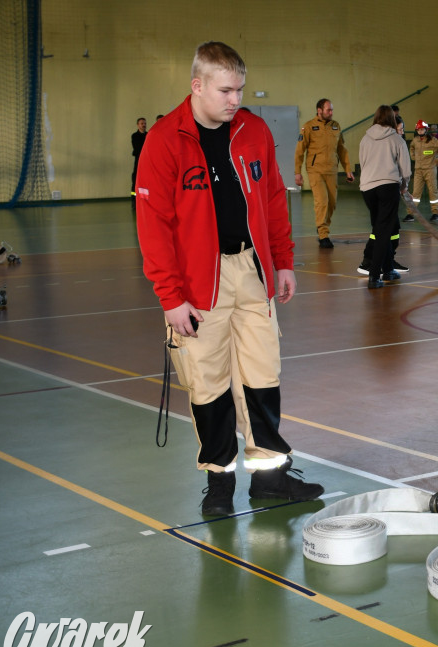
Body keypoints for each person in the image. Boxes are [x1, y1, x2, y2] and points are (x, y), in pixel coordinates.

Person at [136, 41, 323, 516]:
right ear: (197, 85)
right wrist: (170, 297)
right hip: (198, 283)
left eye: (239, 89)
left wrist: (282, 260)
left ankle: (271, 476)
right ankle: (219, 483)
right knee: (208, 385)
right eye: (225, 90)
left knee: (263, 375)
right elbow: (152, 227)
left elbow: (274, 199)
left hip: (252, 273)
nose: (235, 99)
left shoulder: (253, 131)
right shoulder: (164, 140)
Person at [359, 105, 410, 289]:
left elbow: (362, 163)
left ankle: (388, 269)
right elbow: (405, 168)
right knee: (383, 230)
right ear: (392, 119)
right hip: (388, 186)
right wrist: (404, 186)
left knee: (381, 227)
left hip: (367, 188)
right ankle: (374, 275)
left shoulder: (365, 138)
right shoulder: (396, 139)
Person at [294, 99, 353, 249]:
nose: (331, 113)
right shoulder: (308, 127)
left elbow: (342, 150)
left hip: (332, 170)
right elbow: (300, 151)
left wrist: (347, 169)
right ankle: (323, 234)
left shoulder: (336, 126)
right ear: (319, 110)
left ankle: (322, 226)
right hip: (315, 171)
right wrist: (297, 172)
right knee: (322, 201)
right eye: (328, 110)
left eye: (332, 110)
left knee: (332, 203)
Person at [403, 119, 438, 224]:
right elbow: (412, 148)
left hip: (430, 170)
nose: (420, 131)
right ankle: (411, 214)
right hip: (418, 170)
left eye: (422, 129)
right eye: (418, 129)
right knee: (416, 193)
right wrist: (413, 156)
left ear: (426, 130)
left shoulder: (433, 141)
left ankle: (435, 213)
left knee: (433, 191)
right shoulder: (415, 140)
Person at [130, 117, 147, 200]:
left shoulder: (148, 135)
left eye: (145, 123)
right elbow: (137, 148)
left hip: (147, 161)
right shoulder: (135, 136)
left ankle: (144, 198)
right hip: (138, 161)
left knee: (146, 181)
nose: (144, 125)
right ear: (138, 125)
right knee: (136, 180)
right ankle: (134, 199)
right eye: (142, 123)